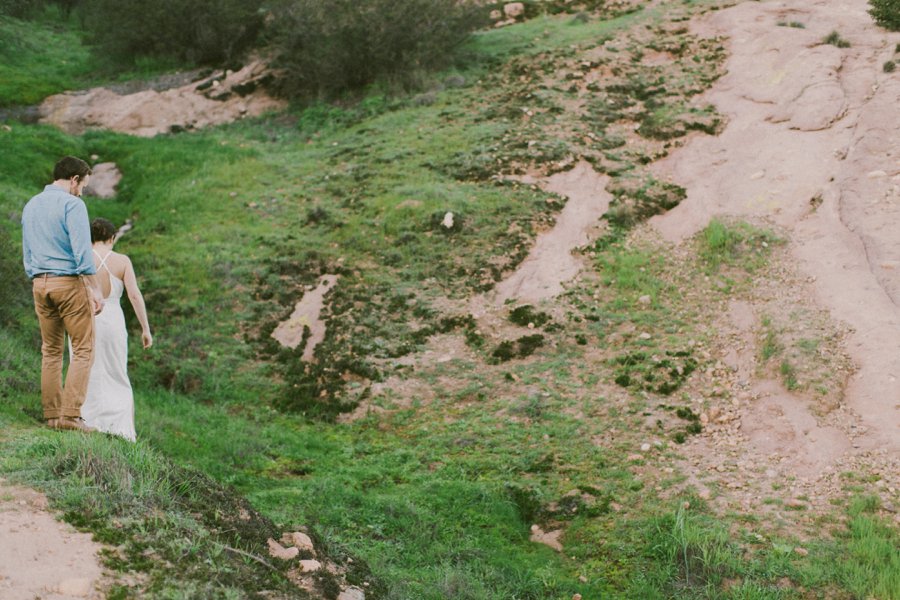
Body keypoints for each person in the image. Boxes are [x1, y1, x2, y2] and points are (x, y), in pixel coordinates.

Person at [22, 156, 104, 432]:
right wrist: (95, 289)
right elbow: (82, 252)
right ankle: (70, 416)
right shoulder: (73, 204)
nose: (82, 191)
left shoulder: (31, 204)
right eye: (83, 185)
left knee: (51, 351)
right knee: (83, 349)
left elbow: (27, 252)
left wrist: (36, 275)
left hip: (39, 284)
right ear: (74, 179)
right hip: (68, 283)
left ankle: (52, 416)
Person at [79, 218, 152, 441]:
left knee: (85, 368)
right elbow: (134, 295)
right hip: (112, 320)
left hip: (85, 317)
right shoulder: (122, 261)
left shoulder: (82, 257)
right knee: (116, 371)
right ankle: (120, 427)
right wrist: (145, 328)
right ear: (111, 238)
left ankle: (86, 419)